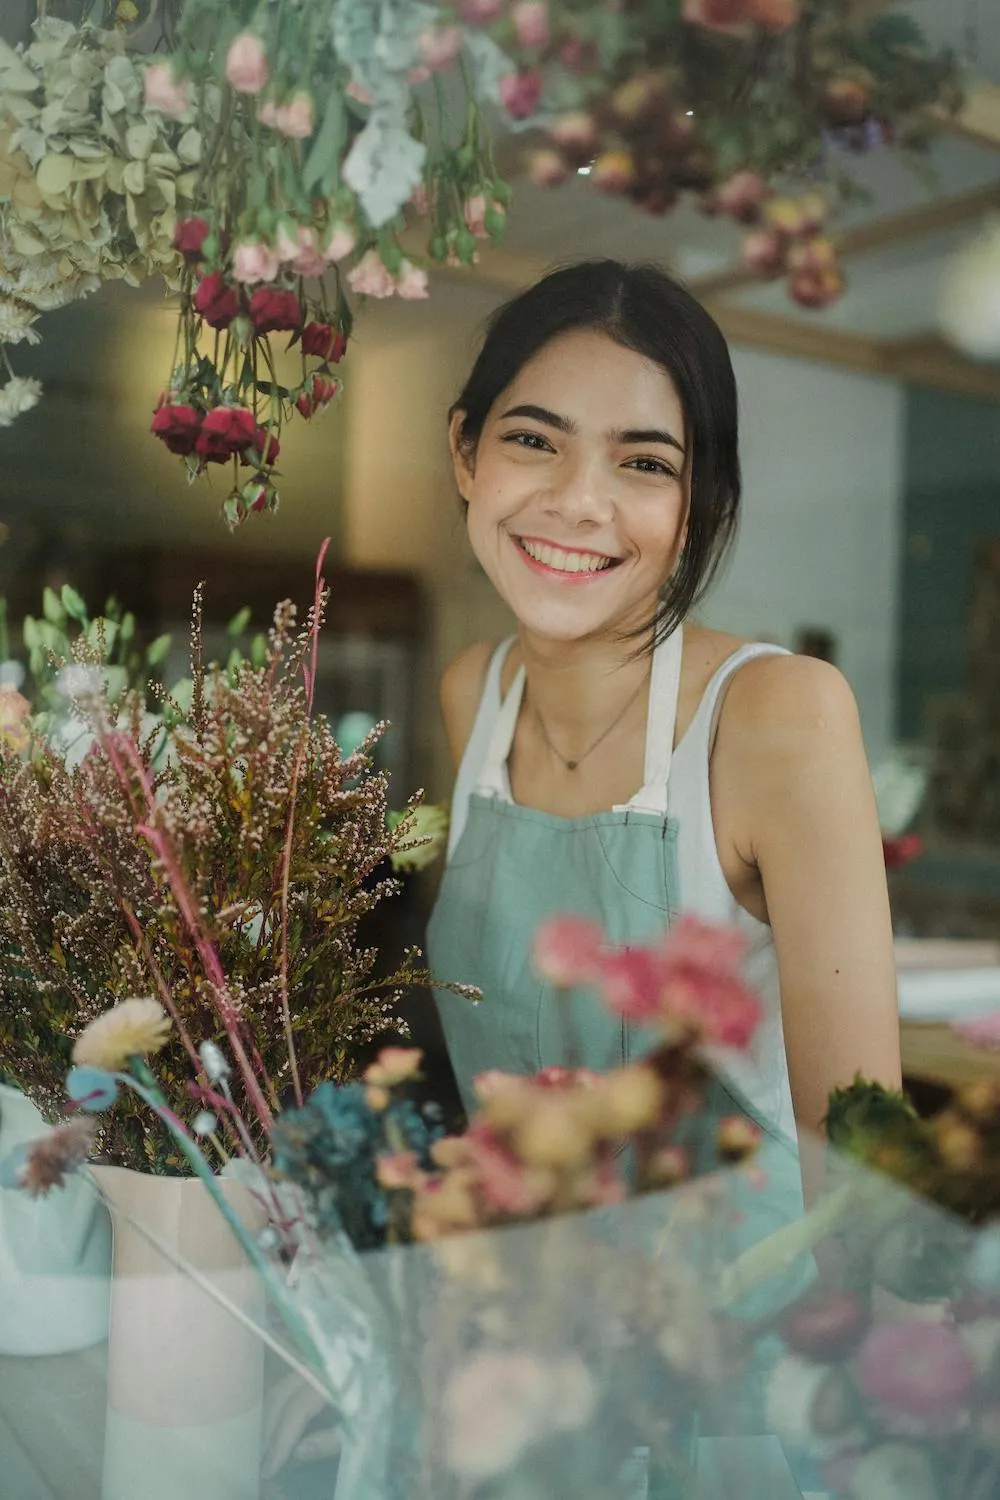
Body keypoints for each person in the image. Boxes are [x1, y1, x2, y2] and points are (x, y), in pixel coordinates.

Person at [428, 259, 901, 1180]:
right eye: (533, 440)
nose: (578, 501)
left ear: (701, 504)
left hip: (741, 1311)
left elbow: (862, 1160)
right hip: (516, 1290)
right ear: (465, 452)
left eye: (645, 463)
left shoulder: (779, 715)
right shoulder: (472, 693)